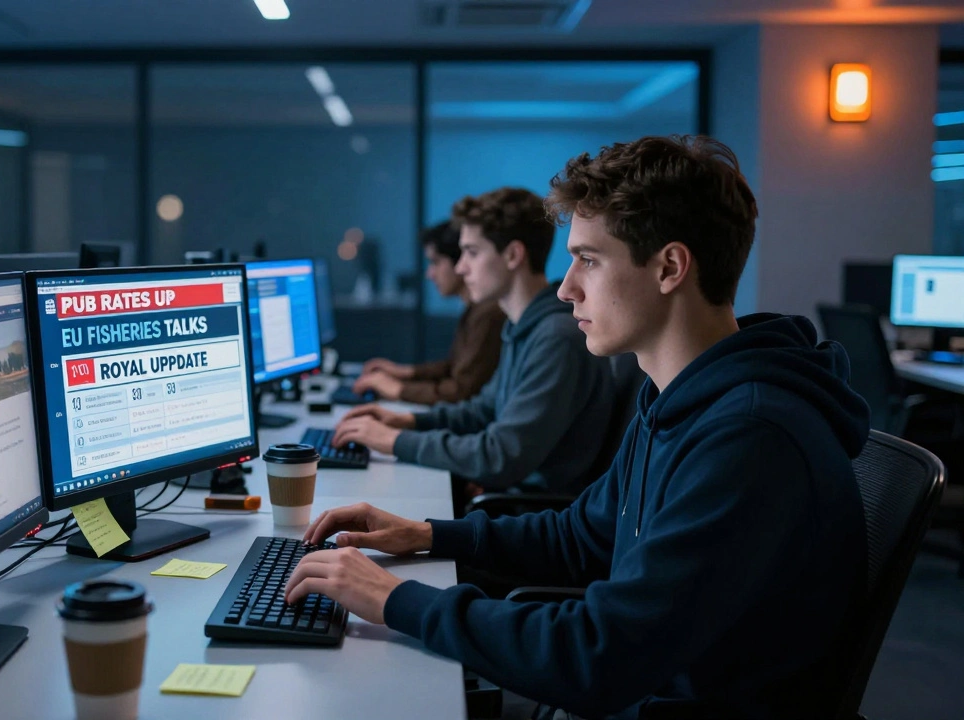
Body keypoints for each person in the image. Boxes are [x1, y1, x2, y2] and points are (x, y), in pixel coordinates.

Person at [287, 136, 870, 719]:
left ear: (669, 267)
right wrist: (428, 534)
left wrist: (395, 600)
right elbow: (583, 536)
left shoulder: (749, 436)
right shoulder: (678, 395)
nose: (565, 288)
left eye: (589, 260)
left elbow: (600, 655)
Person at [332, 187, 615, 494]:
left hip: (532, 513)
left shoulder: (556, 338)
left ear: (512, 255)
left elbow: (500, 455)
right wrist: (405, 422)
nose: (460, 267)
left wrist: (393, 441)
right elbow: (482, 410)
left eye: (472, 252)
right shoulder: (525, 327)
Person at [353, 221, 506, 405]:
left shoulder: (488, 314)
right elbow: (456, 367)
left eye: (435, 262)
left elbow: (462, 391)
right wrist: (405, 372)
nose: (429, 274)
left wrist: (397, 388)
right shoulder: (475, 309)